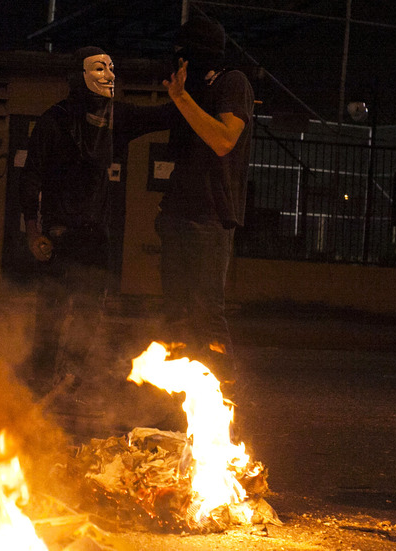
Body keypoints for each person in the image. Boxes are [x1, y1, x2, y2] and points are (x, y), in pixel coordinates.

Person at [20, 46, 176, 398]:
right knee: (51, 313)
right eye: (99, 68)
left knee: (91, 312)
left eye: (112, 67)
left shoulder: (115, 117)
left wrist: (189, 94)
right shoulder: (54, 120)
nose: (110, 75)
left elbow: (162, 116)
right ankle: (38, 382)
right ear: (80, 76)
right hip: (59, 234)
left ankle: (68, 380)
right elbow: (30, 177)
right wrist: (33, 230)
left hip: (96, 235)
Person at [157, 15, 255, 394]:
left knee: (206, 310)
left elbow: (224, 140)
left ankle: (224, 400)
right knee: (176, 314)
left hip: (210, 215)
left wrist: (182, 98)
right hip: (177, 214)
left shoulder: (233, 82)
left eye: (185, 53)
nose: (180, 61)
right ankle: (179, 400)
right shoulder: (191, 89)